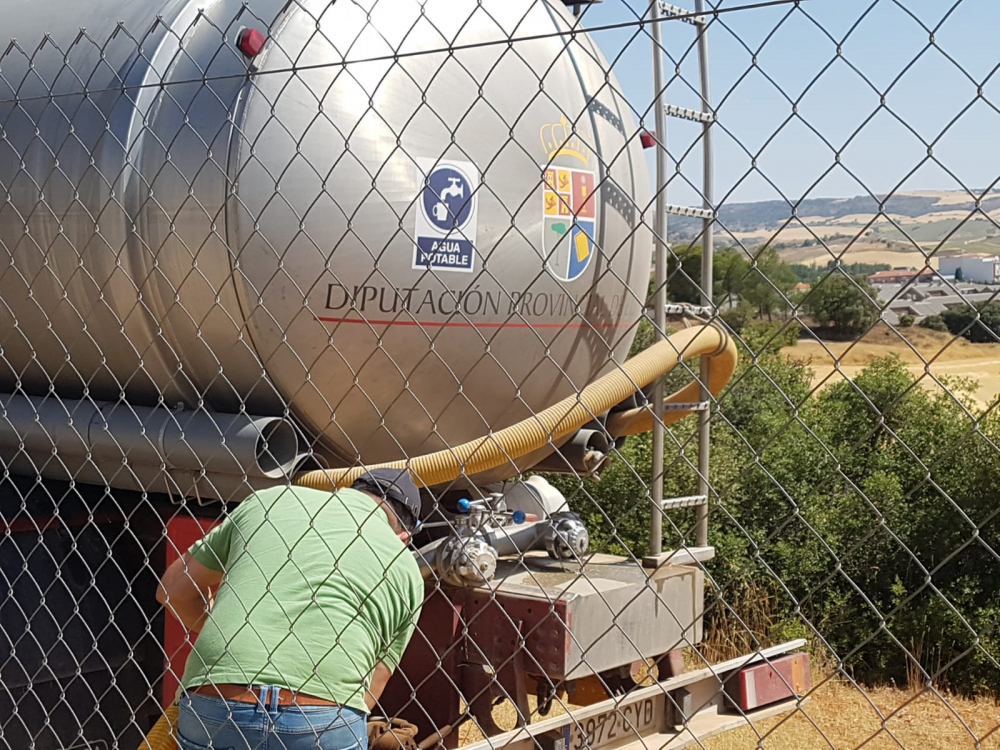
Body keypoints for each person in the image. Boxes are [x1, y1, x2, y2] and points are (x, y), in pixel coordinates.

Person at [157, 468, 425, 750]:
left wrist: (234, 637)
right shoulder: (406, 568)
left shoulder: (269, 501)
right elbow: (368, 690)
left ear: (349, 490)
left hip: (215, 702)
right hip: (320, 721)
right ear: (404, 536)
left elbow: (173, 590)